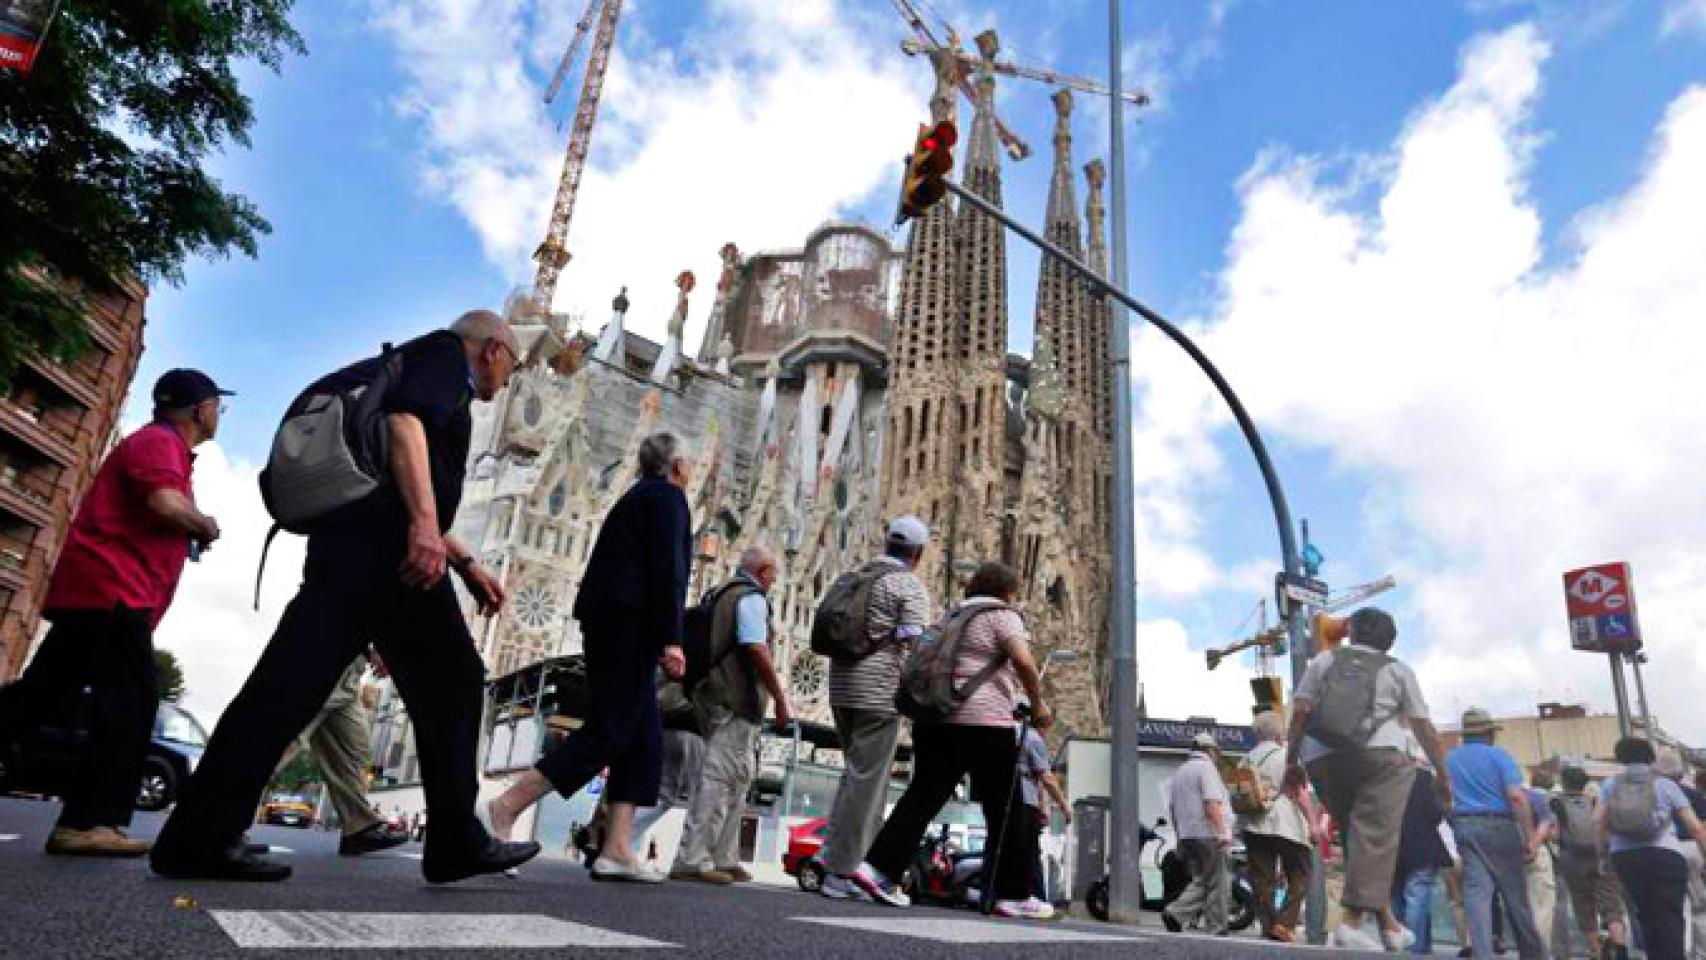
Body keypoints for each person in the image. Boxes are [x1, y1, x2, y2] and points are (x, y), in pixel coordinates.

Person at [150, 312, 536, 883]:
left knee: (283, 691)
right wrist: (427, 531)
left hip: (351, 548)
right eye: (513, 367)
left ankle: (197, 834)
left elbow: (392, 470)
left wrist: (464, 559)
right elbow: (405, 426)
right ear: (492, 350)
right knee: (453, 685)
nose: (508, 381)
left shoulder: (413, 363)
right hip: (389, 558)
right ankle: (455, 841)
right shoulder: (442, 357)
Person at [0, 370, 226, 857]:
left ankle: (88, 820)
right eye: (216, 406)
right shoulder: (157, 443)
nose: (218, 416)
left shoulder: (163, 447)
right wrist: (204, 524)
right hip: (113, 592)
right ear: (199, 410)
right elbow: (165, 503)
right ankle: (90, 821)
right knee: (132, 702)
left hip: (103, 594)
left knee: (39, 699)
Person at [487, 433, 693, 883]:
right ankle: (507, 805)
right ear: (677, 466)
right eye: (689, 463)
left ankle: (616, 849)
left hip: (614, 622)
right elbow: (668, 572)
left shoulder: (637, 497)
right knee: (608, 730)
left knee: (643, 742)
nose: (691, 471)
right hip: (628, 626)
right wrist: (671, 639)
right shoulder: (667, 499)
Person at [853, 562, 1057, 919]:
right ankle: (1012, 894)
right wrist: (1038, 705)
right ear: (1007, 593)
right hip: (985, 725)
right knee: (1006, 811)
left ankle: (876, 869)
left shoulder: (949, 617)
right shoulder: (1001, 616)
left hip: (935, 719)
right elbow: (1023, 661)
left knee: (921, 798)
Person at [1283, 607, 1452, 951]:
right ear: (1390, 641)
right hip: (1381, 757)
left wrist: (1291, 761)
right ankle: (1351, 923)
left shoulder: (1324, 662)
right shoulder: (1398, 670)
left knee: (1358, 837)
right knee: (1377, 837)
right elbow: (1422, 726)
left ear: (1352, 634)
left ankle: (1390, 926)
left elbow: (1300, 711)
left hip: (1321, 758)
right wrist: (1442, 773)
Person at [818, 517, 932, 902]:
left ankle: (834, 860)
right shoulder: (907, 585)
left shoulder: (858, 574)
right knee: (866, 784)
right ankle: (842, 872)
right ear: (917, 553)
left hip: (841, 689)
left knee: (855, 778)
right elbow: (918, 644)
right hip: (878, 694)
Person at [670, 547, 793, 884]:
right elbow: (755, 647)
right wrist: (780, 698)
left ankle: (724, 855)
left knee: (738, 779)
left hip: (726, 699)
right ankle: (692, 859)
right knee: (718, 779)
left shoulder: (720, 593)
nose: (775, 582)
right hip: (732, 699)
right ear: (764, 570)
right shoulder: (750, 599)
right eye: (774, 574)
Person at [264, 654, 410, 856]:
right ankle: (219, 819)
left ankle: (358, 827)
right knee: (286, 740)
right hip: (329, 660)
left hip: (351, 673)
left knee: (354, 750)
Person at [1444, 707, 1547, 960]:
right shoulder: (1499, 756)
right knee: (1514, 896)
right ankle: (1533, 955)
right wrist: (1530, 837)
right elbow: (1516, 797)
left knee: (1476, 895)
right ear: (1489, 733)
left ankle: (1482, 954)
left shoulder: (1450, 759)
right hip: (1499, 825)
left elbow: (1443, 796)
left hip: (1465, 826)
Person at [1598, 738, 1706, 960]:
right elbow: (1695, 827)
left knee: (1645, 915)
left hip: (1625, 858)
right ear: (1650, 757)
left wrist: (1603, 853)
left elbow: (1597, 820)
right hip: (1664, 855)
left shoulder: (1610, 785)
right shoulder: (1664, 784)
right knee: (1670, 917)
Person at [1240, 710, 1315, 944]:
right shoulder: (1286, 757)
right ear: (1279, 732)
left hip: (1253, 823)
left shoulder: (1246, 759)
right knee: (1300, 874)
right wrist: (1313, 823)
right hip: (1286, 823)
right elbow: (1301, 794)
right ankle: (1284, 924)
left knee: (1262, 878)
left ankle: (1270, 925)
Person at [1164, 732, 1234, 935]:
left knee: (1201, 879)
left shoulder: (1181, 772)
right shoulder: (1206, 769)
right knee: (1217, 881)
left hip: (1187, 835)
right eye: (1215, 752)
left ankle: (1176, 914)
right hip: (1207, 833)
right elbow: (1212, 802)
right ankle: (1217, 926)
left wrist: (1179, 838)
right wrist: (1222, 833)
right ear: (1209, 750)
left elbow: (1172, 808)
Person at [1392, 734, 1454, 956]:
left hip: (1391, 849)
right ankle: (1414, 950)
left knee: (1397, 898)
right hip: (1422, 847)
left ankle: (1408, 946)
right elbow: (1435, 813)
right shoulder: (1423, 778)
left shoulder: (1382, 780)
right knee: (1418, 898)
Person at [1656, 750, 1706, 960]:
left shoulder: (1653, 792)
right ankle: (1702, 953)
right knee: (1699, 907)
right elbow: (1701, 828)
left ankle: (1681, 952)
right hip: (1691, 848)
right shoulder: (1693, 794)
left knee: (1674, 908)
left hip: (1663, 850)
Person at [1018, 723, 1070, 903]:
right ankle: (1036, 898)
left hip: (1008, 799)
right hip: (1024, 802)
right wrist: (1064, 806)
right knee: (1031, 854)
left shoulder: (1010, 732)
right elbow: (1045, 778)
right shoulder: (1032, 738)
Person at [1523, 770, 1560, 956]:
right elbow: (1552, 833)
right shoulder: (1548, 800)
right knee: (1543, 907)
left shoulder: (1523, 797)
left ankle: (1527, 949)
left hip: (1514, 854)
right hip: (1539, 852)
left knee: (1525, 906)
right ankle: (1540, 952)